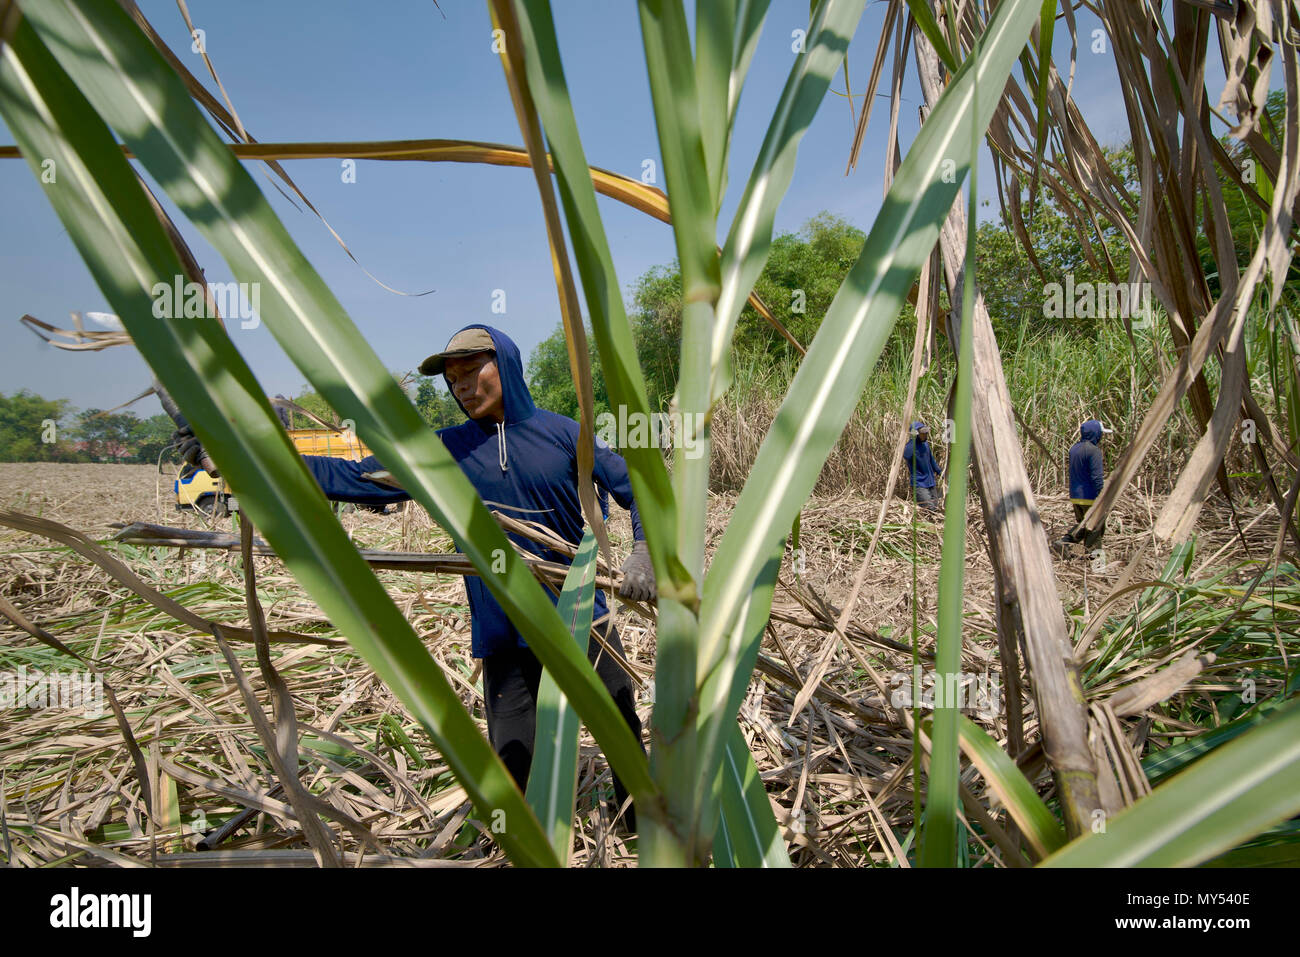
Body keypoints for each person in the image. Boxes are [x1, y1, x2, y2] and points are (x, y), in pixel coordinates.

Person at [175, 325, 654, 830]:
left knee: (621, 733)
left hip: (581, 616)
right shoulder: (443, 452)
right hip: (503, 629)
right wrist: (232, 452)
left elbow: (637, 485)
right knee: (515, 759)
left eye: (473, 371)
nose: (464, 387)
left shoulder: (565, 435)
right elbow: (353, 477)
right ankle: (526, 847)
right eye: (454, 379)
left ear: (507, 366)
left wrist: (643, 552)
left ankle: (644, 836)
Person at [1060, 418, 1112, 550]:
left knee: (1084, 524)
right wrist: (1102, 495)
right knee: (1095, 529)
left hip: (1075, 496)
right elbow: (1096, 477)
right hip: (1090, 496)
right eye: (1101, 433)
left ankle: (1064, 542)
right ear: (1096, 433)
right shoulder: (1093, 451)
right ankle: (1096, 564)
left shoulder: (1074, 449)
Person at [902, 420, 943, 512]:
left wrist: (940, 472)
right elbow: (906, 455)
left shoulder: (925, 444)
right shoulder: (910, 447)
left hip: (930, 482)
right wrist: (913, 439)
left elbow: (931, 461)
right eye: (922, 433)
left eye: (926, 433)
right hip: (919, 484)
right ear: (916, 434)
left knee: (935, 508)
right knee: (929, 509)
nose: (925, 435)